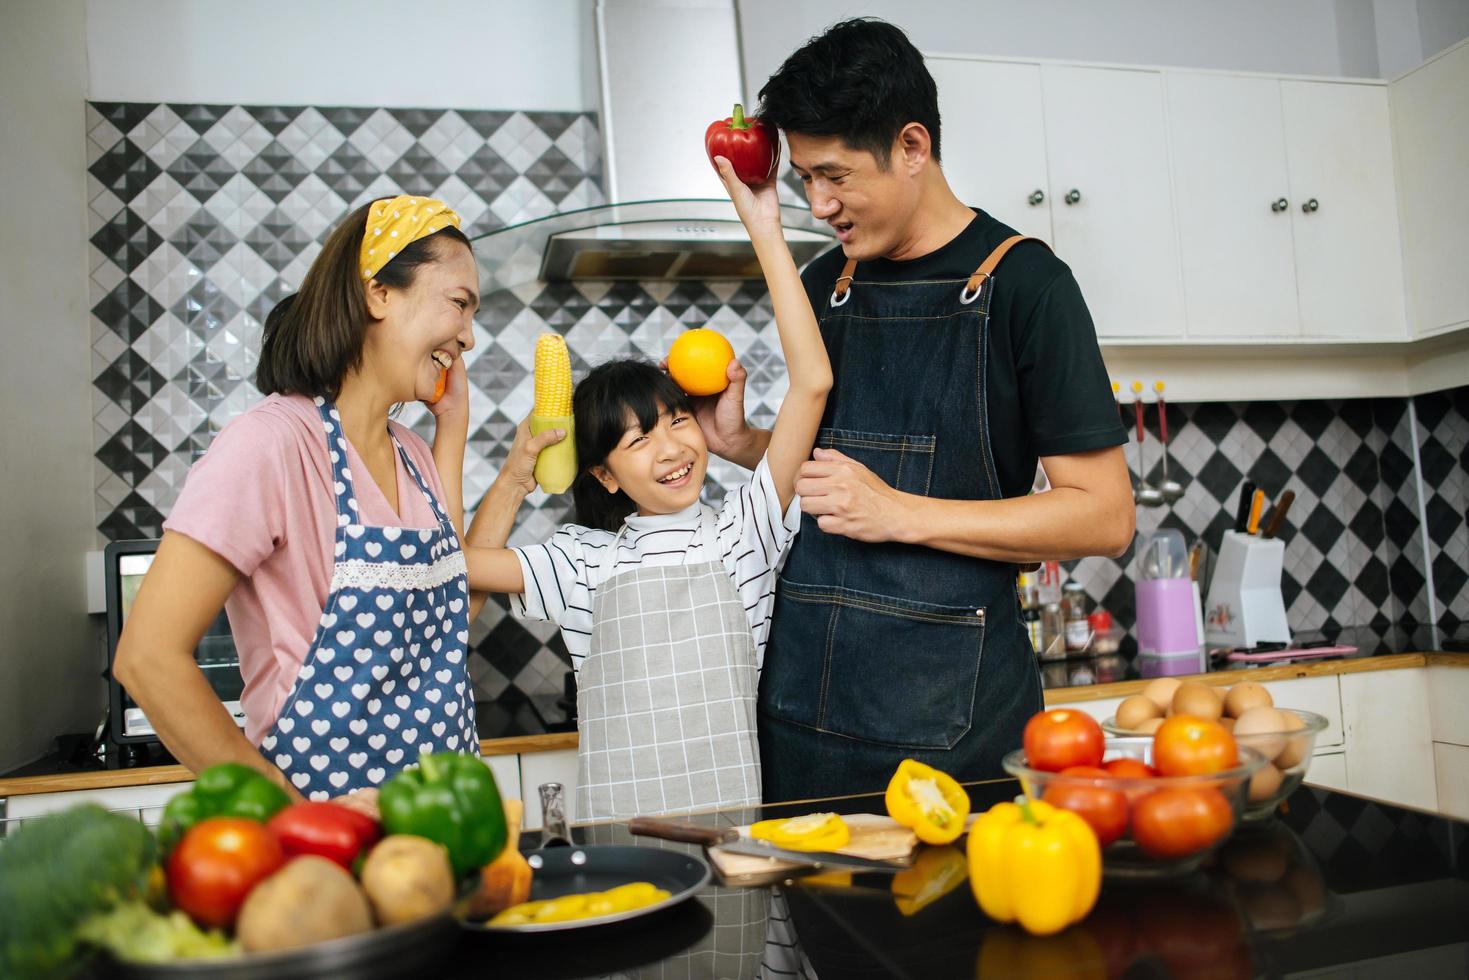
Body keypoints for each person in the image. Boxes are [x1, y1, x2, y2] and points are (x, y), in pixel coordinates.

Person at [690, 19, 1136, 801]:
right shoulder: (827, 281)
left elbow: (1102, 518)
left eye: (836, 175)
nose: (819, 203)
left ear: (911, 147)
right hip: (802, 716)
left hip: (954, 729)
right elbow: (837, 484)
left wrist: (901, 513)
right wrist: (745, 445)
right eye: (803, 179)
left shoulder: (1028, 286)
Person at [113, 195, 559, 801]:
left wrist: (469, 443)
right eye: (459, 304)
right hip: (325, 851)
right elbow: (147, 658)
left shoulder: (410, 452)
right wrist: (289, 820)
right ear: (378, 294)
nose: (469, 336)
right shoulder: (269, 444)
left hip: (446, 828)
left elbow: (453, 611)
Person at [460, 156, 832, 821]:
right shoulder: (578, 560)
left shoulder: (745, 530)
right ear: (602, 473)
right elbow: (458, 567)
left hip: (741, 832)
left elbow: (812, 384)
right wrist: (518, 473)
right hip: (623, 840)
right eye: (637, 441)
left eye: (676, 420)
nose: (670, 448)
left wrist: (766, 229)